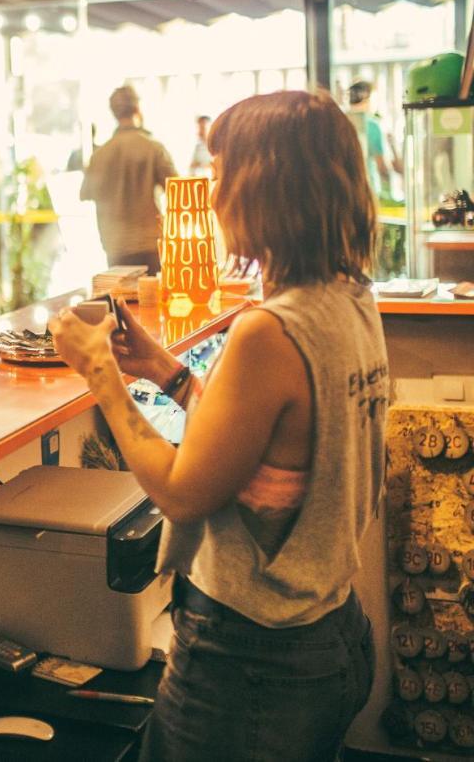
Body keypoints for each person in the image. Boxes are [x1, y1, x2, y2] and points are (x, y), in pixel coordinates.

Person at [51, 91, 384, 761]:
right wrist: (169, 373)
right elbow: (277, 444)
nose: (211, 187)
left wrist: (102, 376)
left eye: (222, 168)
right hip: (331, 637)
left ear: (265, 187)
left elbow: (181, 491)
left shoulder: (269, 330)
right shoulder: (349, 299)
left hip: (251, 661)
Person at [80, 86, 177, 273]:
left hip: (115, 245)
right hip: (150, 243)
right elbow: (179, 190)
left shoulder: (99, 155)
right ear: (137, 109)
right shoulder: (153, 148)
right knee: (153, 300)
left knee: (122, 300)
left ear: (113, 113)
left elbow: (85, 193)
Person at [348, 80, 399, 201]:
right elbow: (381, 166)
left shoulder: (341, 121)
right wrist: (389, 195)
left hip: (348, 192)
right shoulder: (372, 125)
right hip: (369, 192)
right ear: (368, 98)